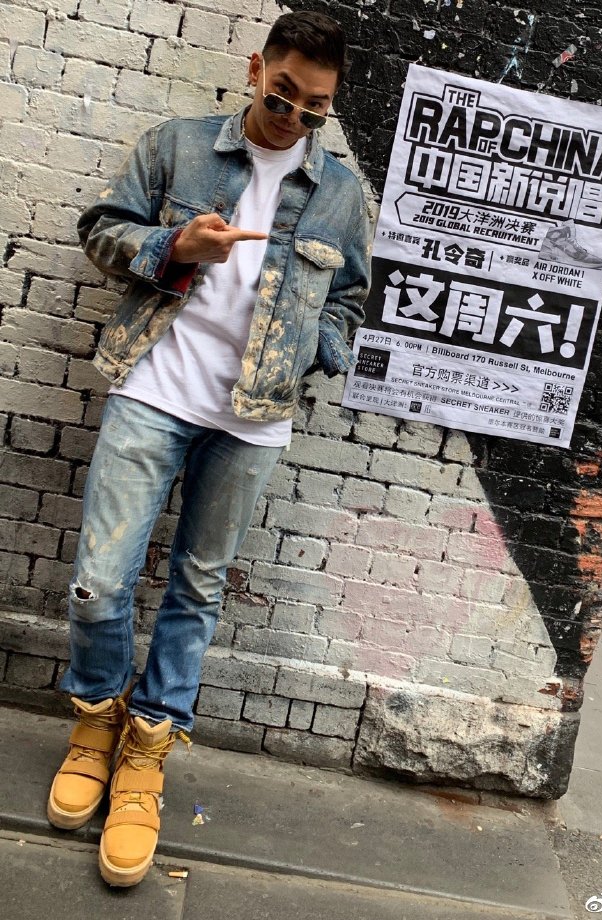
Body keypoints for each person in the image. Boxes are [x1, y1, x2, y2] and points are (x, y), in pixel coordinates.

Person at [46, 11, 371, 887]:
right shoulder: (178, 146)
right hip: (155, 388)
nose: (293, 117)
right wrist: (174, 248)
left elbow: (350, 299)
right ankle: (95, 724)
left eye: (315, 108)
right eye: (283, 95)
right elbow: (101, 229)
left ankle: (147, 753)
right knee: (100, 581)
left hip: (254, 416)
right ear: (256, 68)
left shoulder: (341, 194)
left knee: (197, 587)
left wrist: (313, 348)